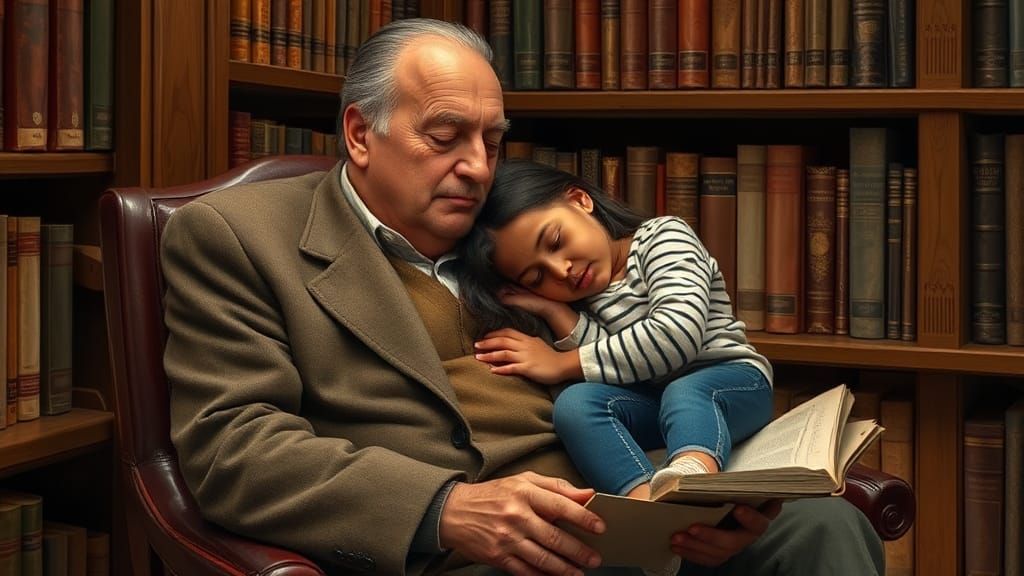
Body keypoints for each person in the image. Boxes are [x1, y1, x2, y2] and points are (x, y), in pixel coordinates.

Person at [161, 17, 884, 576]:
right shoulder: (236, 236)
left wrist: (718, 500)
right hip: (474, 551)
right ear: (359, 133)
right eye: (445, 137)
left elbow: (654, 373)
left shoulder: (517, 237)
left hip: (626, 509)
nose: (476, 167)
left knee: (825, 525)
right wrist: (444, 509)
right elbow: (235, 449)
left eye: (492, 140)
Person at [457, 160, 774, 504]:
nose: (560, 270)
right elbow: (620, 364)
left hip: (733, 384)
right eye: (536, 279)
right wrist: (555, 311)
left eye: (556, 241)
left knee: (686, 391)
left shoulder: (663, 237)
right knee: (574, 404)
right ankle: (643, 505)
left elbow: (675, 337)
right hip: (660, 400)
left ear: (580, 201)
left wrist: (560, 363)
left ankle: (692, 481)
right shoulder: (585, 297)